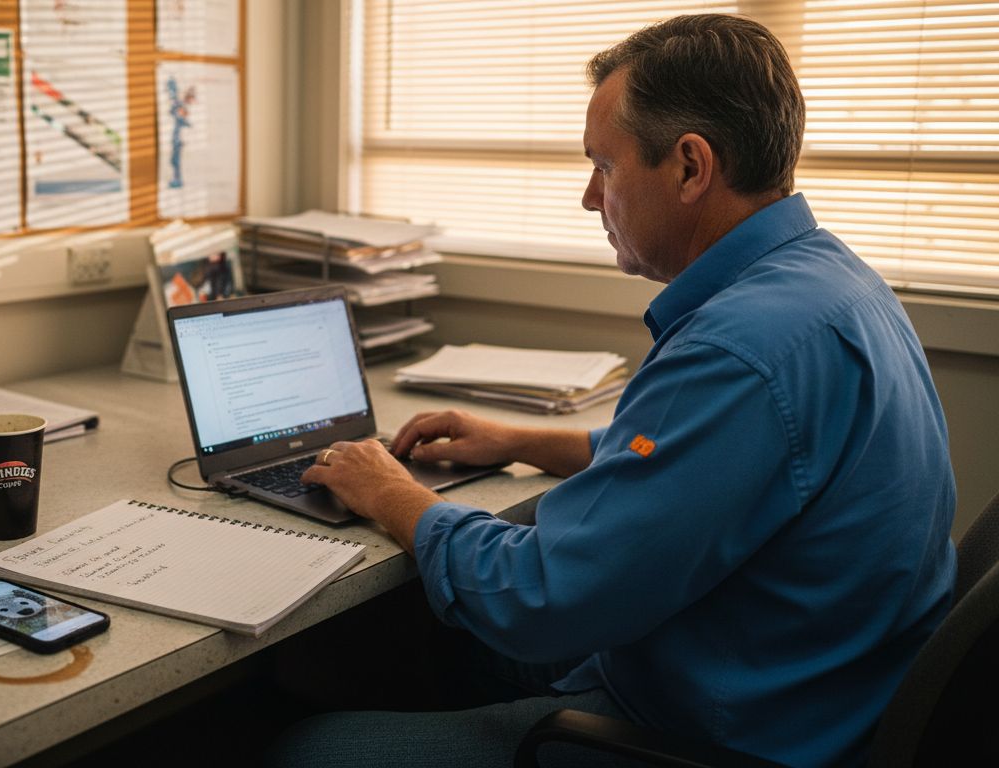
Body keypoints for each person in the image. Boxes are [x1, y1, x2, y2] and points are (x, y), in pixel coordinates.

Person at [273, 13, 956, 768]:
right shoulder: (833, 283)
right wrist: (529, 440)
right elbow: (712, 469)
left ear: (691, 167)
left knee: (310, 750)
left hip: (717, 732)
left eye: (605, 165)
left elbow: (540, 599)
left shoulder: (738, 349)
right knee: (414, 639)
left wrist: (393, 493)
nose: (590, 198)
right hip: (808, 682)